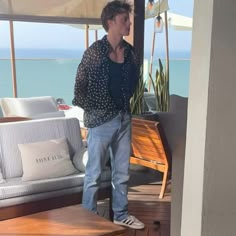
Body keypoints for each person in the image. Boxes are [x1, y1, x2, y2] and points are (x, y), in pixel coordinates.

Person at [72, 0, 144, 230]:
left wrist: (122, 106)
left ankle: (120, 214)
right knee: (93, 174)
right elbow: (79, 87)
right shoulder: (94, 53)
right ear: (111, 22)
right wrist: (95, 111)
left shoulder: (131, 53)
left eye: (129, 19)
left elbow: (134, 82)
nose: (129, 23)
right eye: (124, 19)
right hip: (100, 122)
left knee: (122, 173)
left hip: (123, 118)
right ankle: (88, 218)